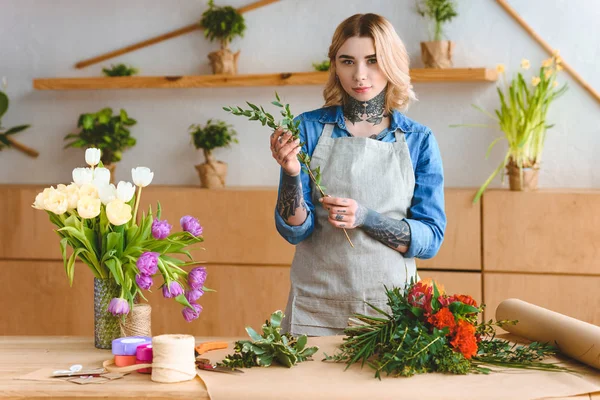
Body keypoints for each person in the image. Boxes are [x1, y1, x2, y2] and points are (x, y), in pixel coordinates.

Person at [270, 13, 446, 336]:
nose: (360, 75)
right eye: (347, 61)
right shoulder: (307, 130)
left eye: (373, 61)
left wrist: (365, 217)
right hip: (316, 310)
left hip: (392, 311)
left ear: (391, 63)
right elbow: (295, 231)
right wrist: (292, 173)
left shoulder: (419, 141)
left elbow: (431, 238)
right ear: (335, 66)